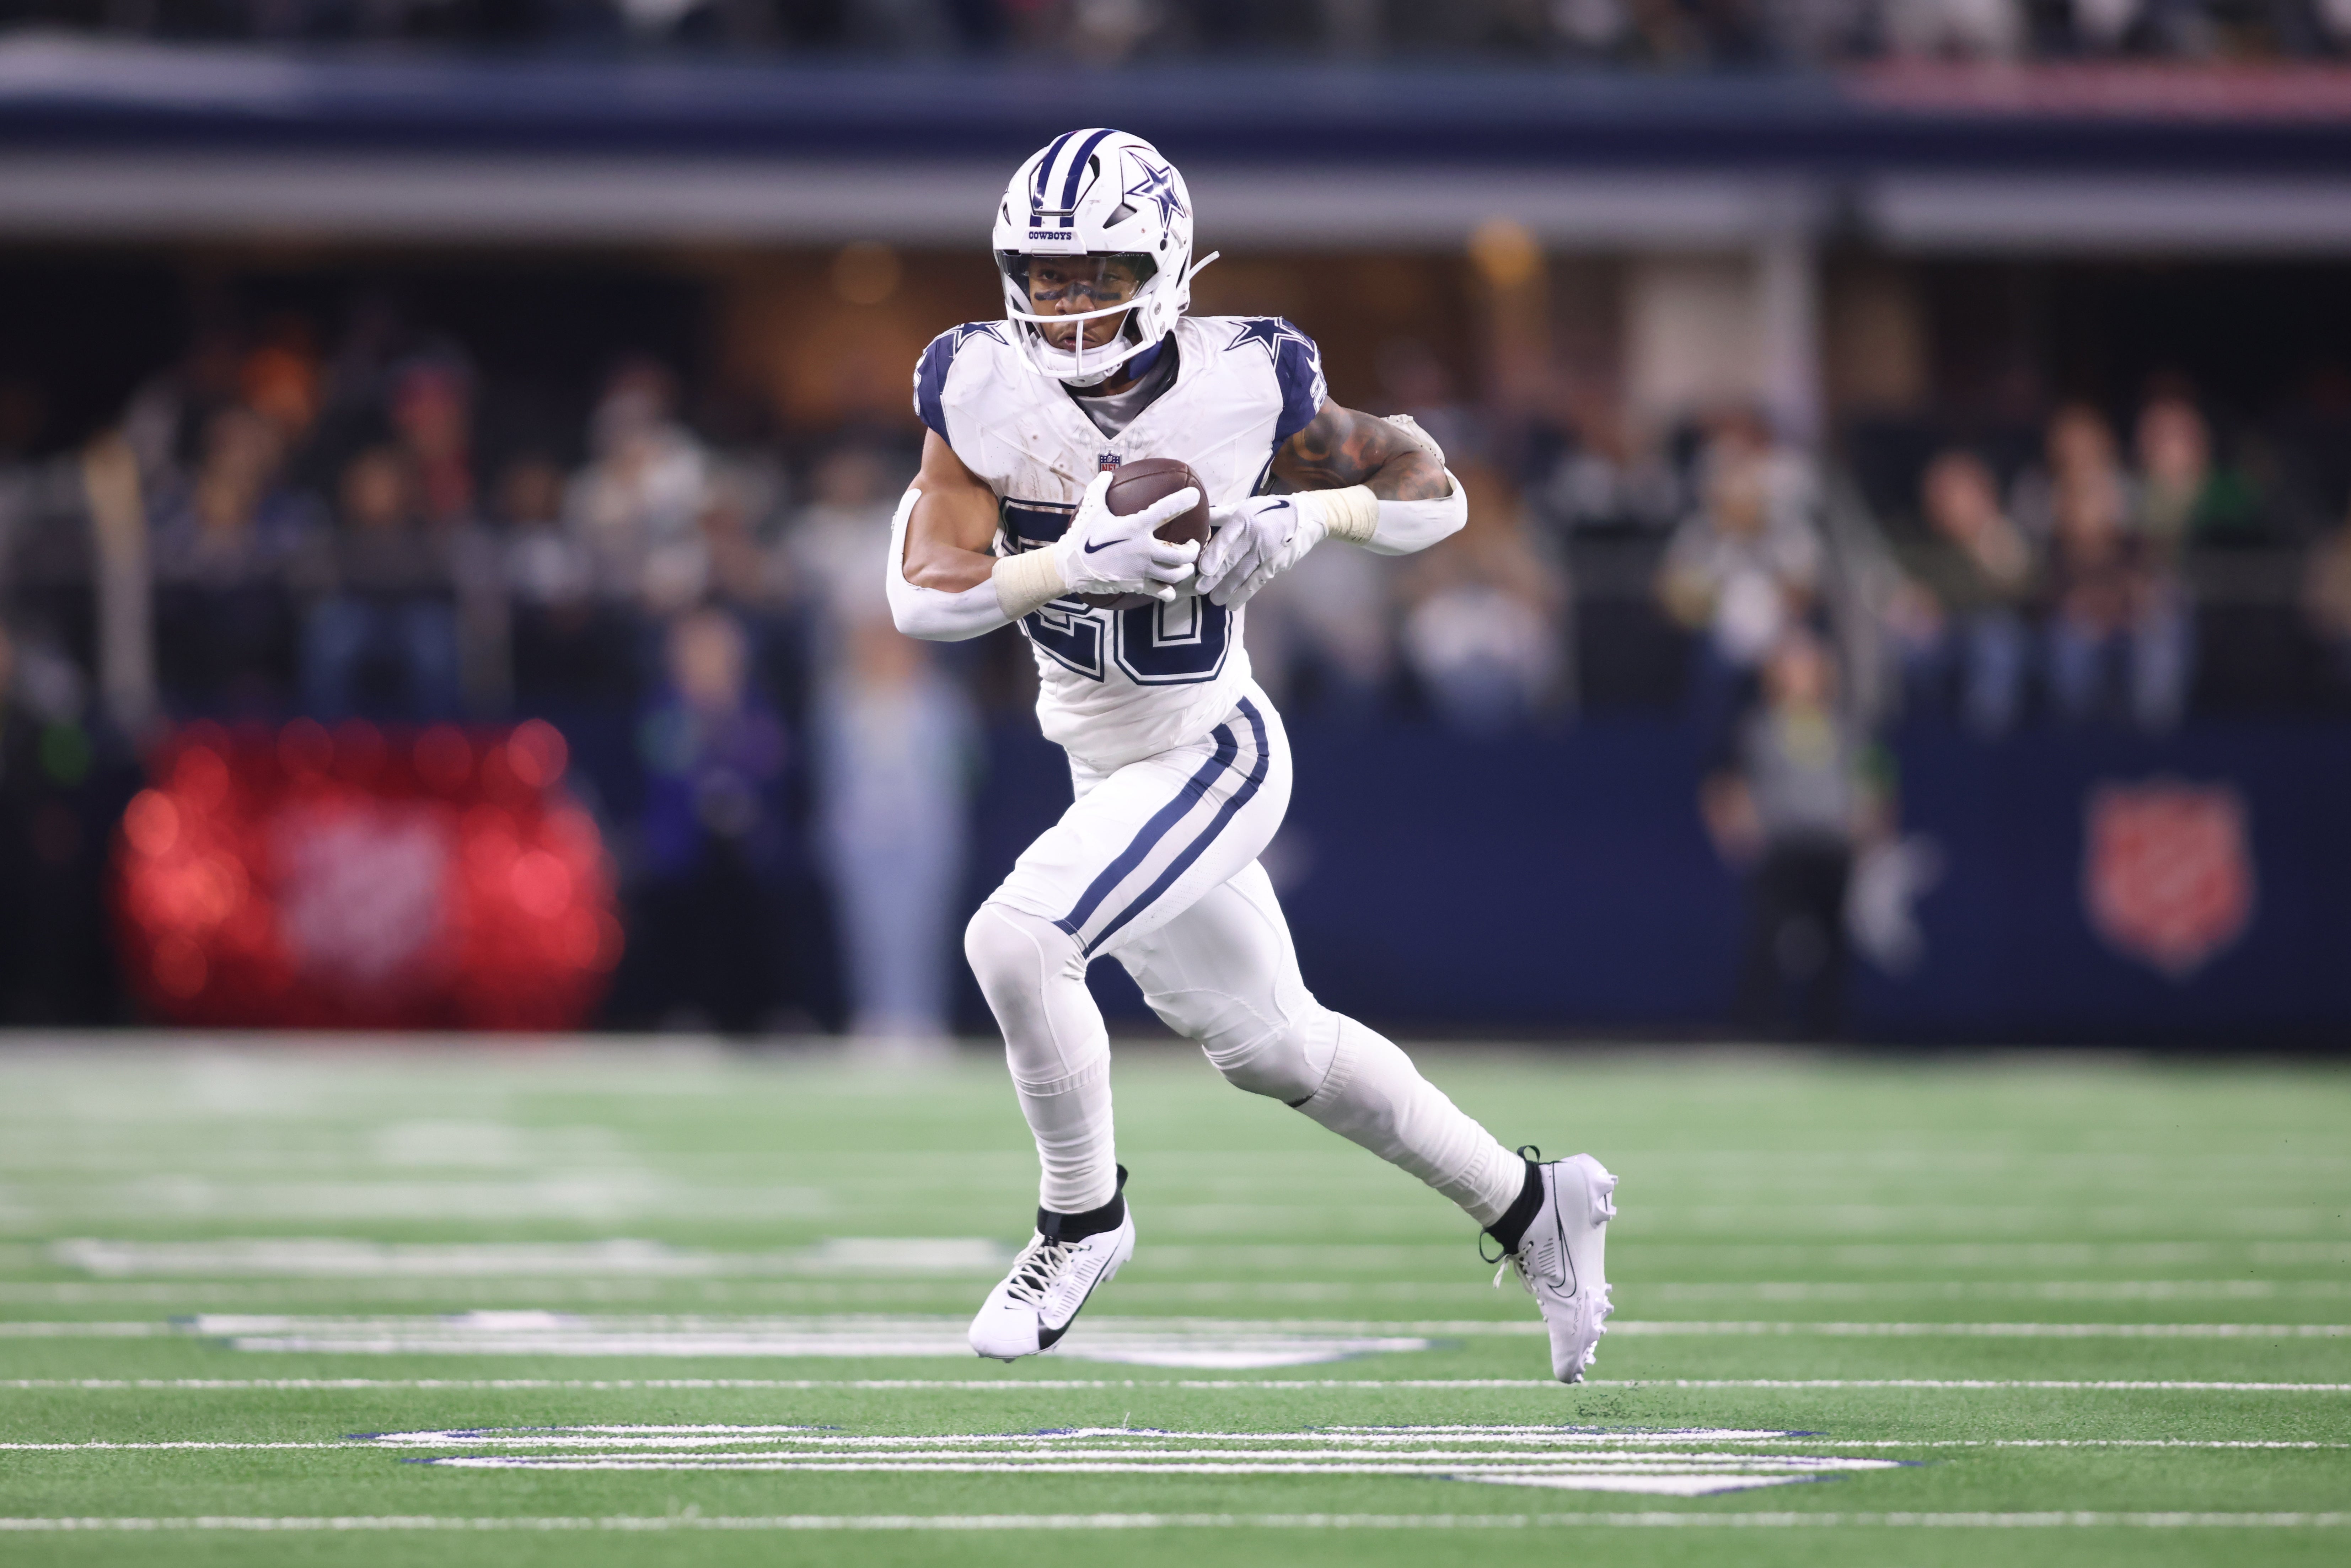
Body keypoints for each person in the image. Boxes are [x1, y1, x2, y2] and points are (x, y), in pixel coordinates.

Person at [888, 129, 1615, 1382]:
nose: (1066, 302)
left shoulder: (1250, 376)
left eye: (1098, 271)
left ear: (1166, 265)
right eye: (1045, 274)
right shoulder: (975, 382)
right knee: (1276, 1049)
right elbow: (922, 595)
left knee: (1015, 939)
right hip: (1105, 765)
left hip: (1211, 749)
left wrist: (1310, 513)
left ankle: (1082, 1219)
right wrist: (1068, 562)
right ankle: (1530, 1203)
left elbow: (1435, 490)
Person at [1702, 629, 1884, 1040]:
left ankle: (1829, 1029)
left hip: (1832, 847)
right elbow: (1727, 779)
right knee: (1766, 937)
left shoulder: (1848, 725)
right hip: (1781, 848)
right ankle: (1756, 1028)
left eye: (1806, 667)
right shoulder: (1756, 725)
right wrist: (1733, 827)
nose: (1798, 675)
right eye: (1790, 667)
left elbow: (1877, 775)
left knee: (1834, 942)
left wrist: (1874, 822)